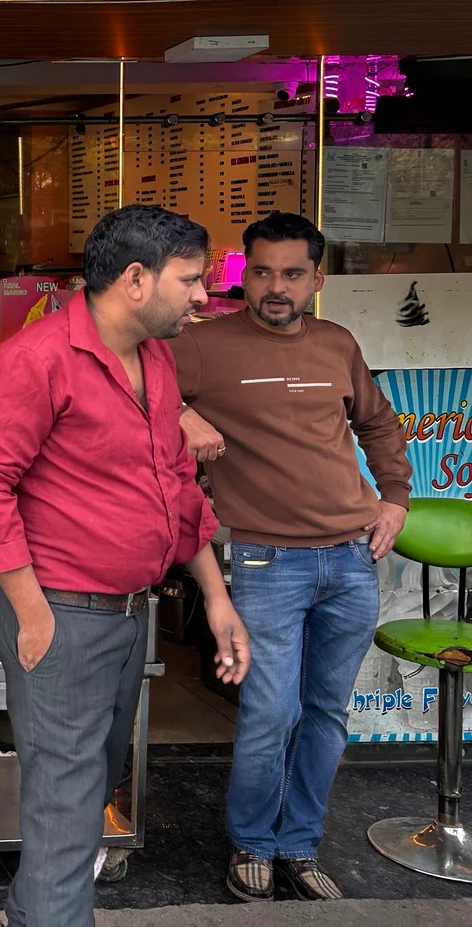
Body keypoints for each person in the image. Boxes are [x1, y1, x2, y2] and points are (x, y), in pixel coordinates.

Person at [0, 204, 250, 927]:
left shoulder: (155, 358)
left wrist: (215, 598)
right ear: (135, 279)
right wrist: (33, 614)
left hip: (128, 610)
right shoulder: (35, 360)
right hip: (61, 610)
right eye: (190, 280)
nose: (203, 295)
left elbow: (176, 482)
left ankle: (25, 917)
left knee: (84, 794)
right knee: (67, 799)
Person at [176, 212, 411, 903]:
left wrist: (395, 498)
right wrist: (180, 414)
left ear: (316, 279)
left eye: (292, 274)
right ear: (243, 276)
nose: (275, 287)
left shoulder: (337, 344)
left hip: (352, 558)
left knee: (326, 715)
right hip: (266, 561)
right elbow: (126, 383)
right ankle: (253, 840)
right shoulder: (202, 346)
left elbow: (378, 423)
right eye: (262, 272)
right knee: (270, 713)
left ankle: (299, 843)